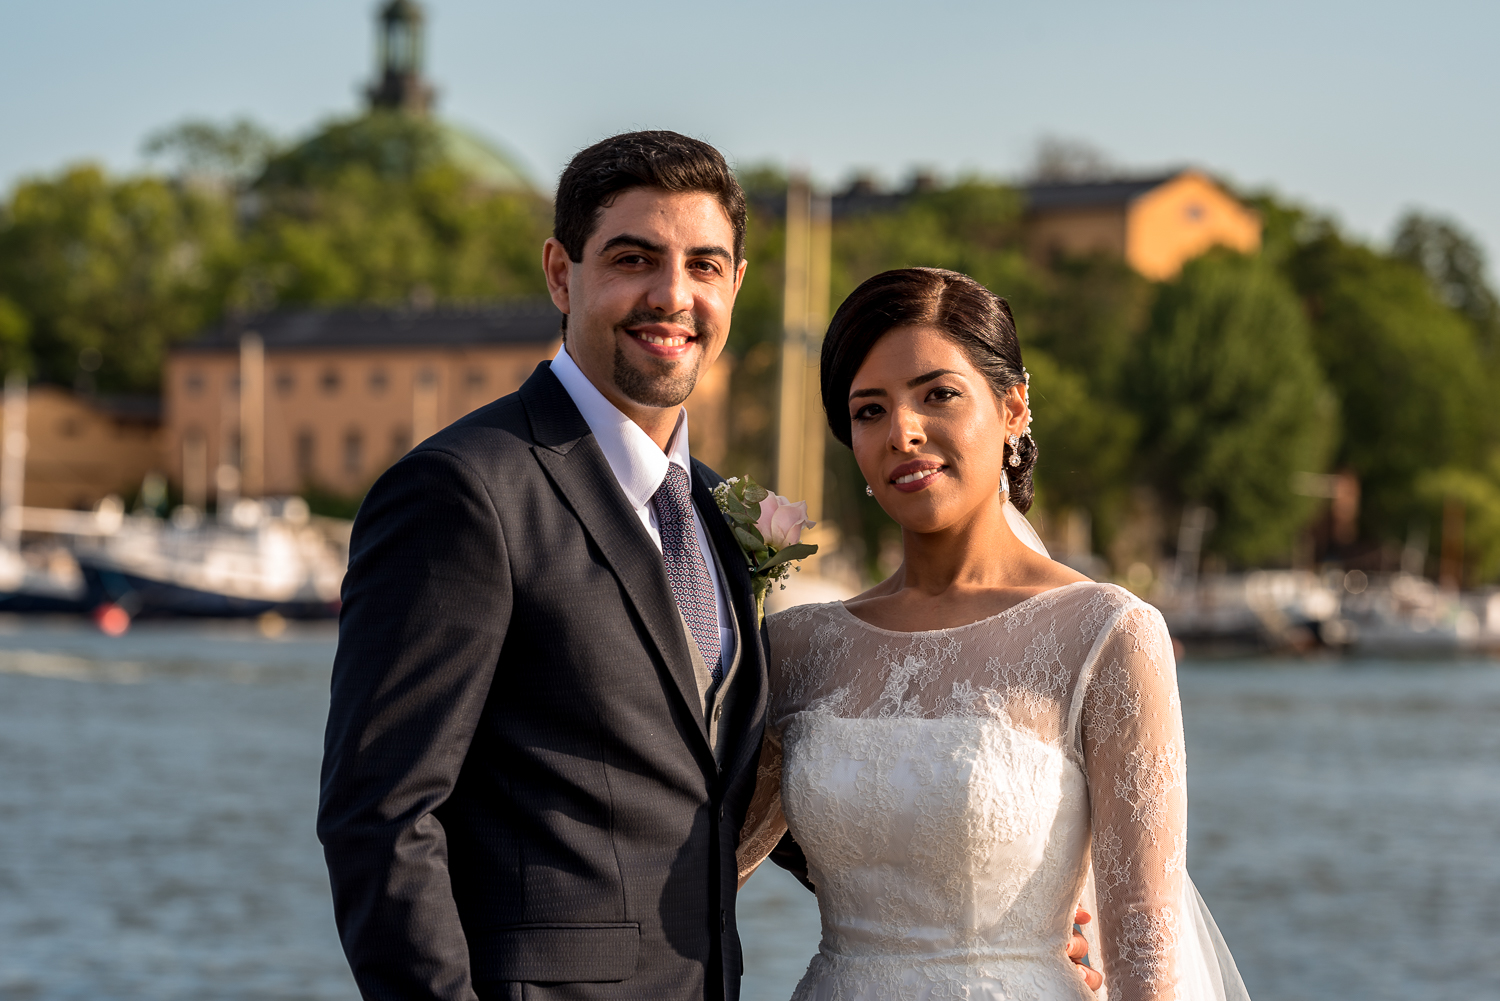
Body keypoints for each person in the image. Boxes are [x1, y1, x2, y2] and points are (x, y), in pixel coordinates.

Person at [318, 130, 1098, 1001]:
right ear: (560, 274)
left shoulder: (724, 515)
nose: (672, 295)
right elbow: (380, 817)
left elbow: (710, 787)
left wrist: (979, 900)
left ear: (735, 285)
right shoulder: (464, 491)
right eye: (633, 258)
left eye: (703, 264)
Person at [737, 268, 1250, 1000]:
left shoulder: (1107, 634)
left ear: (1013, 408)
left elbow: (1147, 958)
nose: (903, 432)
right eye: (869, 410)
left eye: (938, 394)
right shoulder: (797, 647)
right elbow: (696, 874)